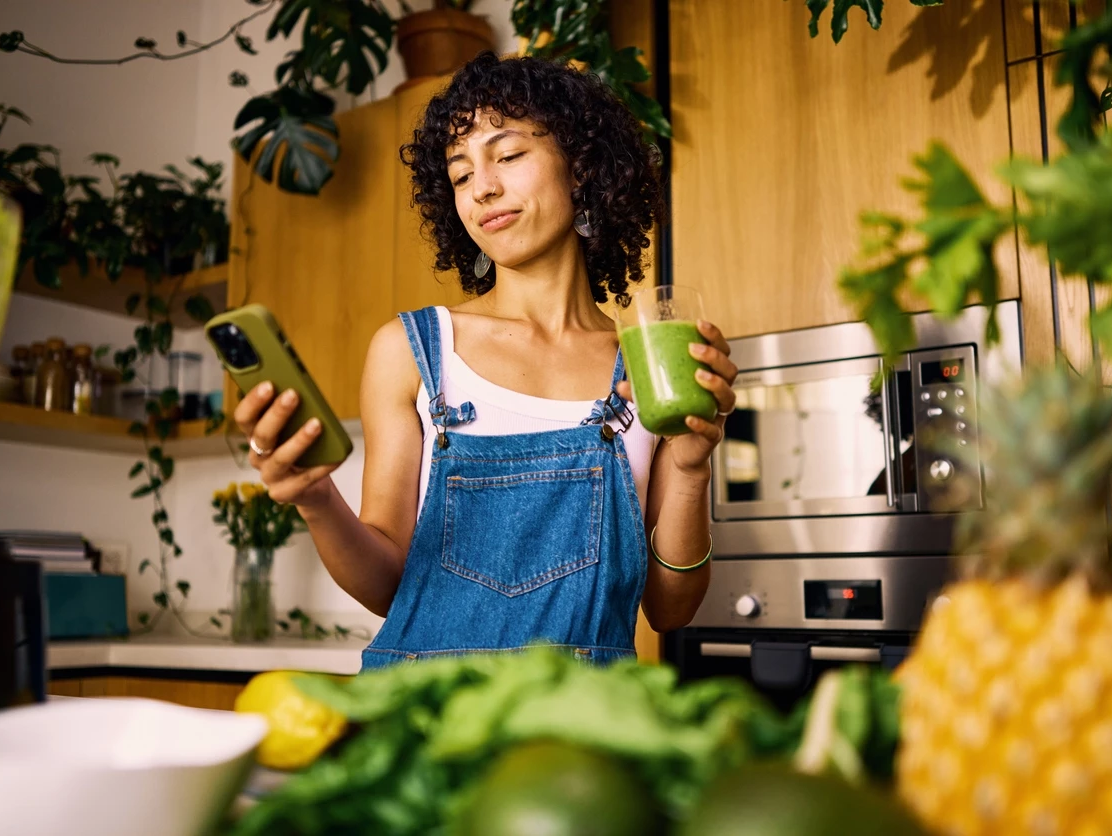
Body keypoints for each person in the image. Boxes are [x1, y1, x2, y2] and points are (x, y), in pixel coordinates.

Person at [232, 52, 738, 671]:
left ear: (580, 165)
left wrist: (689, 468)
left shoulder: (644, 368)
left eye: (508, 154)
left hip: (582, 735)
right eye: (460, 172)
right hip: (424, 718)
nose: (484, 188)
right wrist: (316, 499)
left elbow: (670, 608)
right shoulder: (413, 350)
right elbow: (387, 584)